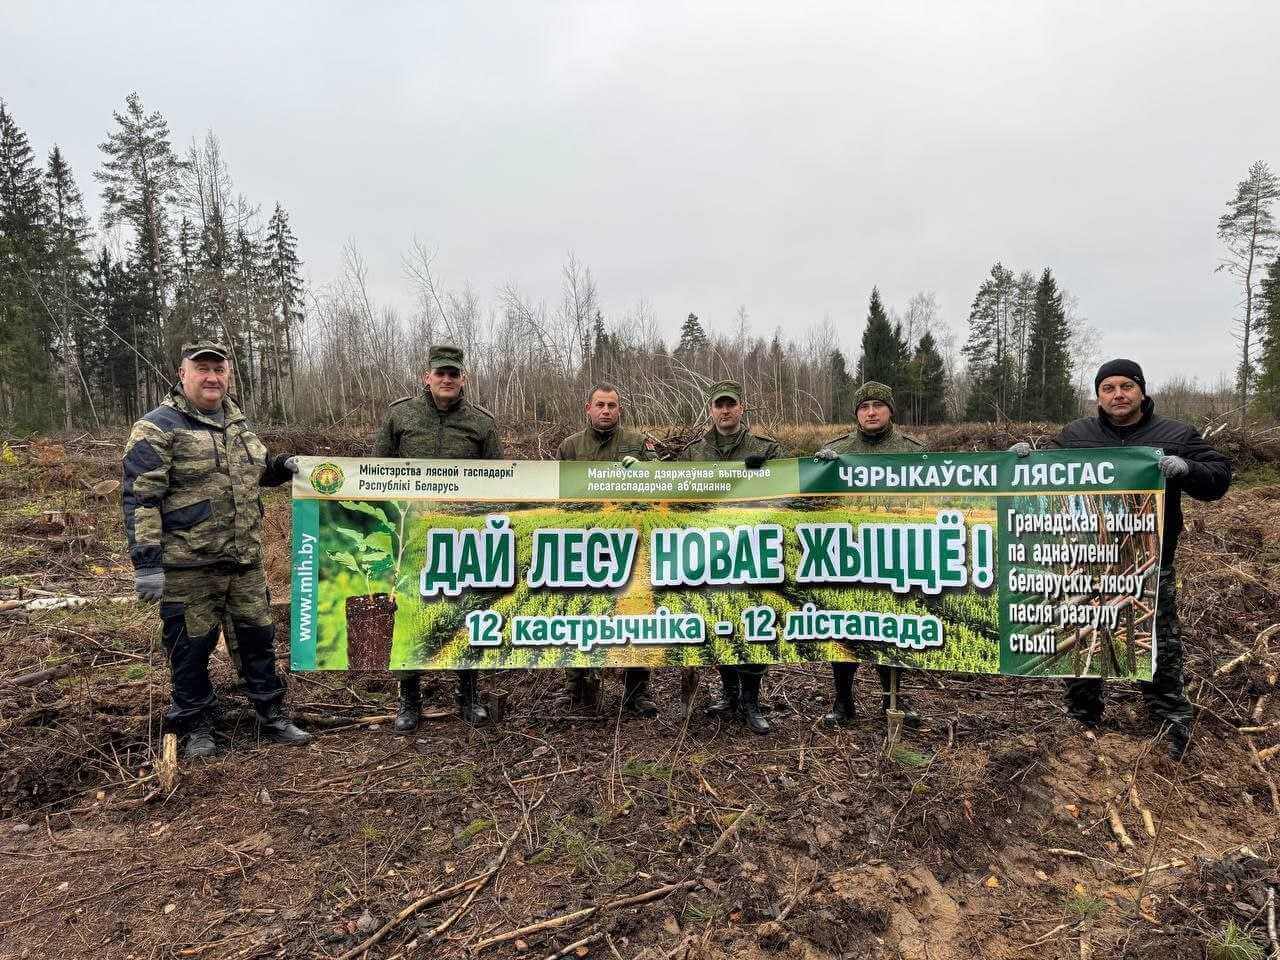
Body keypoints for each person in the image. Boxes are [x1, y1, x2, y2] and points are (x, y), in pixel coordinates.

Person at [1011, 359, 1232, 760]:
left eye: (1126, 386)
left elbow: (1218, 476)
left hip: (1148, 562)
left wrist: (1185, 469)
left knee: (1157, 642)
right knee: (1082, 637)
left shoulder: (1175, 434)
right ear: (1098, 395)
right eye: (1108, 387)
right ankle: (1083, 718)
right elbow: (1047, 469)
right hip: (1085, 559)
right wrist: (1023, 460)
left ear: (1141, 391)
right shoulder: (1078, 434)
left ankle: (1170, 720)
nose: (1118, 394)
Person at [122, 341, 311, 759]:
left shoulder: (238, 426)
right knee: (190, 649)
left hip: (244, 562)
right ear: (183, 373)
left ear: (227, 375)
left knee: (258, 639)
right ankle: (197, 725)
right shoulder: (157, 428)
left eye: (219, 370)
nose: (212, 377)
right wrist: (147, 564)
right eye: (202, 369)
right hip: (190, 567)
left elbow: (258, 471)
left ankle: (271, 714)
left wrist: (283, 467)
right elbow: (141, 499)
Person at [374, 345, 504, 731]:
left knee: (464, 610)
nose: (446, 380)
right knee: (411, 611)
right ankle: (408, 698)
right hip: (412, 533)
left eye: (453, 374)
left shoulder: (481, 423)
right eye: (439, 373)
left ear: (463, 378)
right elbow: (374, 471)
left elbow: (500, 481)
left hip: (463, 535)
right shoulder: (400, 415)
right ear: (426, 377)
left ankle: (468, 693)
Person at [816, 381, 926, 728]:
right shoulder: (837, 449)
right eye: (864, 407)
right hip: (848, 552)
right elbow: (815, 500)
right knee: (844, 629)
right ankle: (843, 700)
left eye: (878, 405)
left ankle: (892, 699)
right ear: (856, 413)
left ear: (890, 410)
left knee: (890, 629)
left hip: (893, 554)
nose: (871, 412)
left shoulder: (913, 451)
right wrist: (821, 467)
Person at [679, 380, 784, 734]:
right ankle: (729, 693)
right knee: (719, 621)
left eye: (731, 405)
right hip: (710, 549)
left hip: (752, 548)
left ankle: (751, 701)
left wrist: (766, 475)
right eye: (719, 405)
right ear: (711, 409)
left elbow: (790, 488)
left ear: (742, 408)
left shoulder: (765, 448)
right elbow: (674, 492)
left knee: (753, 623)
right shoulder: (695, 451)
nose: (725, 410)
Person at [557, 383, 658, 715]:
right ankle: (579, 688)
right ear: (588, 408)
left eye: (612, 406)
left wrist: (645, 473)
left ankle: (637, 690)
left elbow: (663, 483)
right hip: (584, 543)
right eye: (599, 405)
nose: (605, 411)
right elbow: (555, 496)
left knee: (635, 613)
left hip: (630, 544)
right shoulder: (570, 447)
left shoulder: (637, 443)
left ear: (620, 409)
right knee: (580, 610)